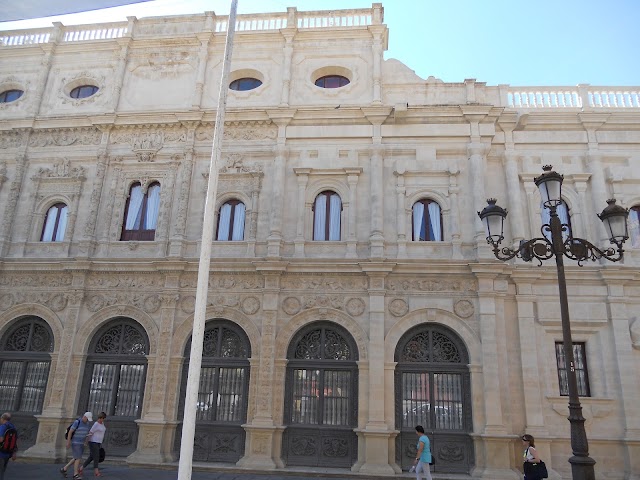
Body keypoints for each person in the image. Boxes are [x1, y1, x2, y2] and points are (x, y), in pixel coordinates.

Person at [60, 412, 93, 479]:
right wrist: (68, 442)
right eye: (87, 419)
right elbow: (70, 432)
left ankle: (64, 468)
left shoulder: (87, 423)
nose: (87, 420)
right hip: (76, 442)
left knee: (76, 457)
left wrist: (86, 440)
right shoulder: (77, 422)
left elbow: (86, 432)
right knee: (78, 458)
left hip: (81, 443)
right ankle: (75, 474)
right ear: (84, 417)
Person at [80, 412, 106, 478]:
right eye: (101, 418)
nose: (102, 420)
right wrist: (86, 441)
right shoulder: (96, 424)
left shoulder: (102, 424)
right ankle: (96, 471)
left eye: (103, 418)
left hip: (98, 442)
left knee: (92, 456)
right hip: (93, 442)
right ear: (99, 418)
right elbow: (90, 433)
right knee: (96, 456)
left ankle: (81, 468)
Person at [0, 413, 17, 480]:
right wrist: (14, 453)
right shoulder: (13, 427)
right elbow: (16, 441)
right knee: (2, 471)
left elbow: (1, 439)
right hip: (8, 453)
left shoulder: (3, 427)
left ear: (2, 418)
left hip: (0, 453)